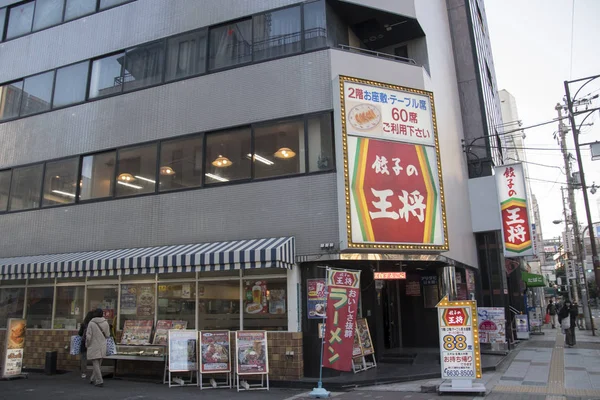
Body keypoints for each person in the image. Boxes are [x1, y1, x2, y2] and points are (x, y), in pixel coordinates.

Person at [85, 309, 110, 387]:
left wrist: (87, 344)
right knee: (98, 364)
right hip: (102, 345)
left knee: (95, 363)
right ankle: (92, 379)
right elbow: (108, 335)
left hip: (94, 345)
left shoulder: (91, 323)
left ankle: (99, 380)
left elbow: (88, 336)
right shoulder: (105, 322)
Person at [78, 311, 94, 378]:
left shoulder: (83, 324)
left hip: (84, 342)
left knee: (84, 357)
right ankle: (95, 372)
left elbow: (80, 333)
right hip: (92, 342)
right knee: (94, 358)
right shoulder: (94, 324)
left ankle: (84, 373)